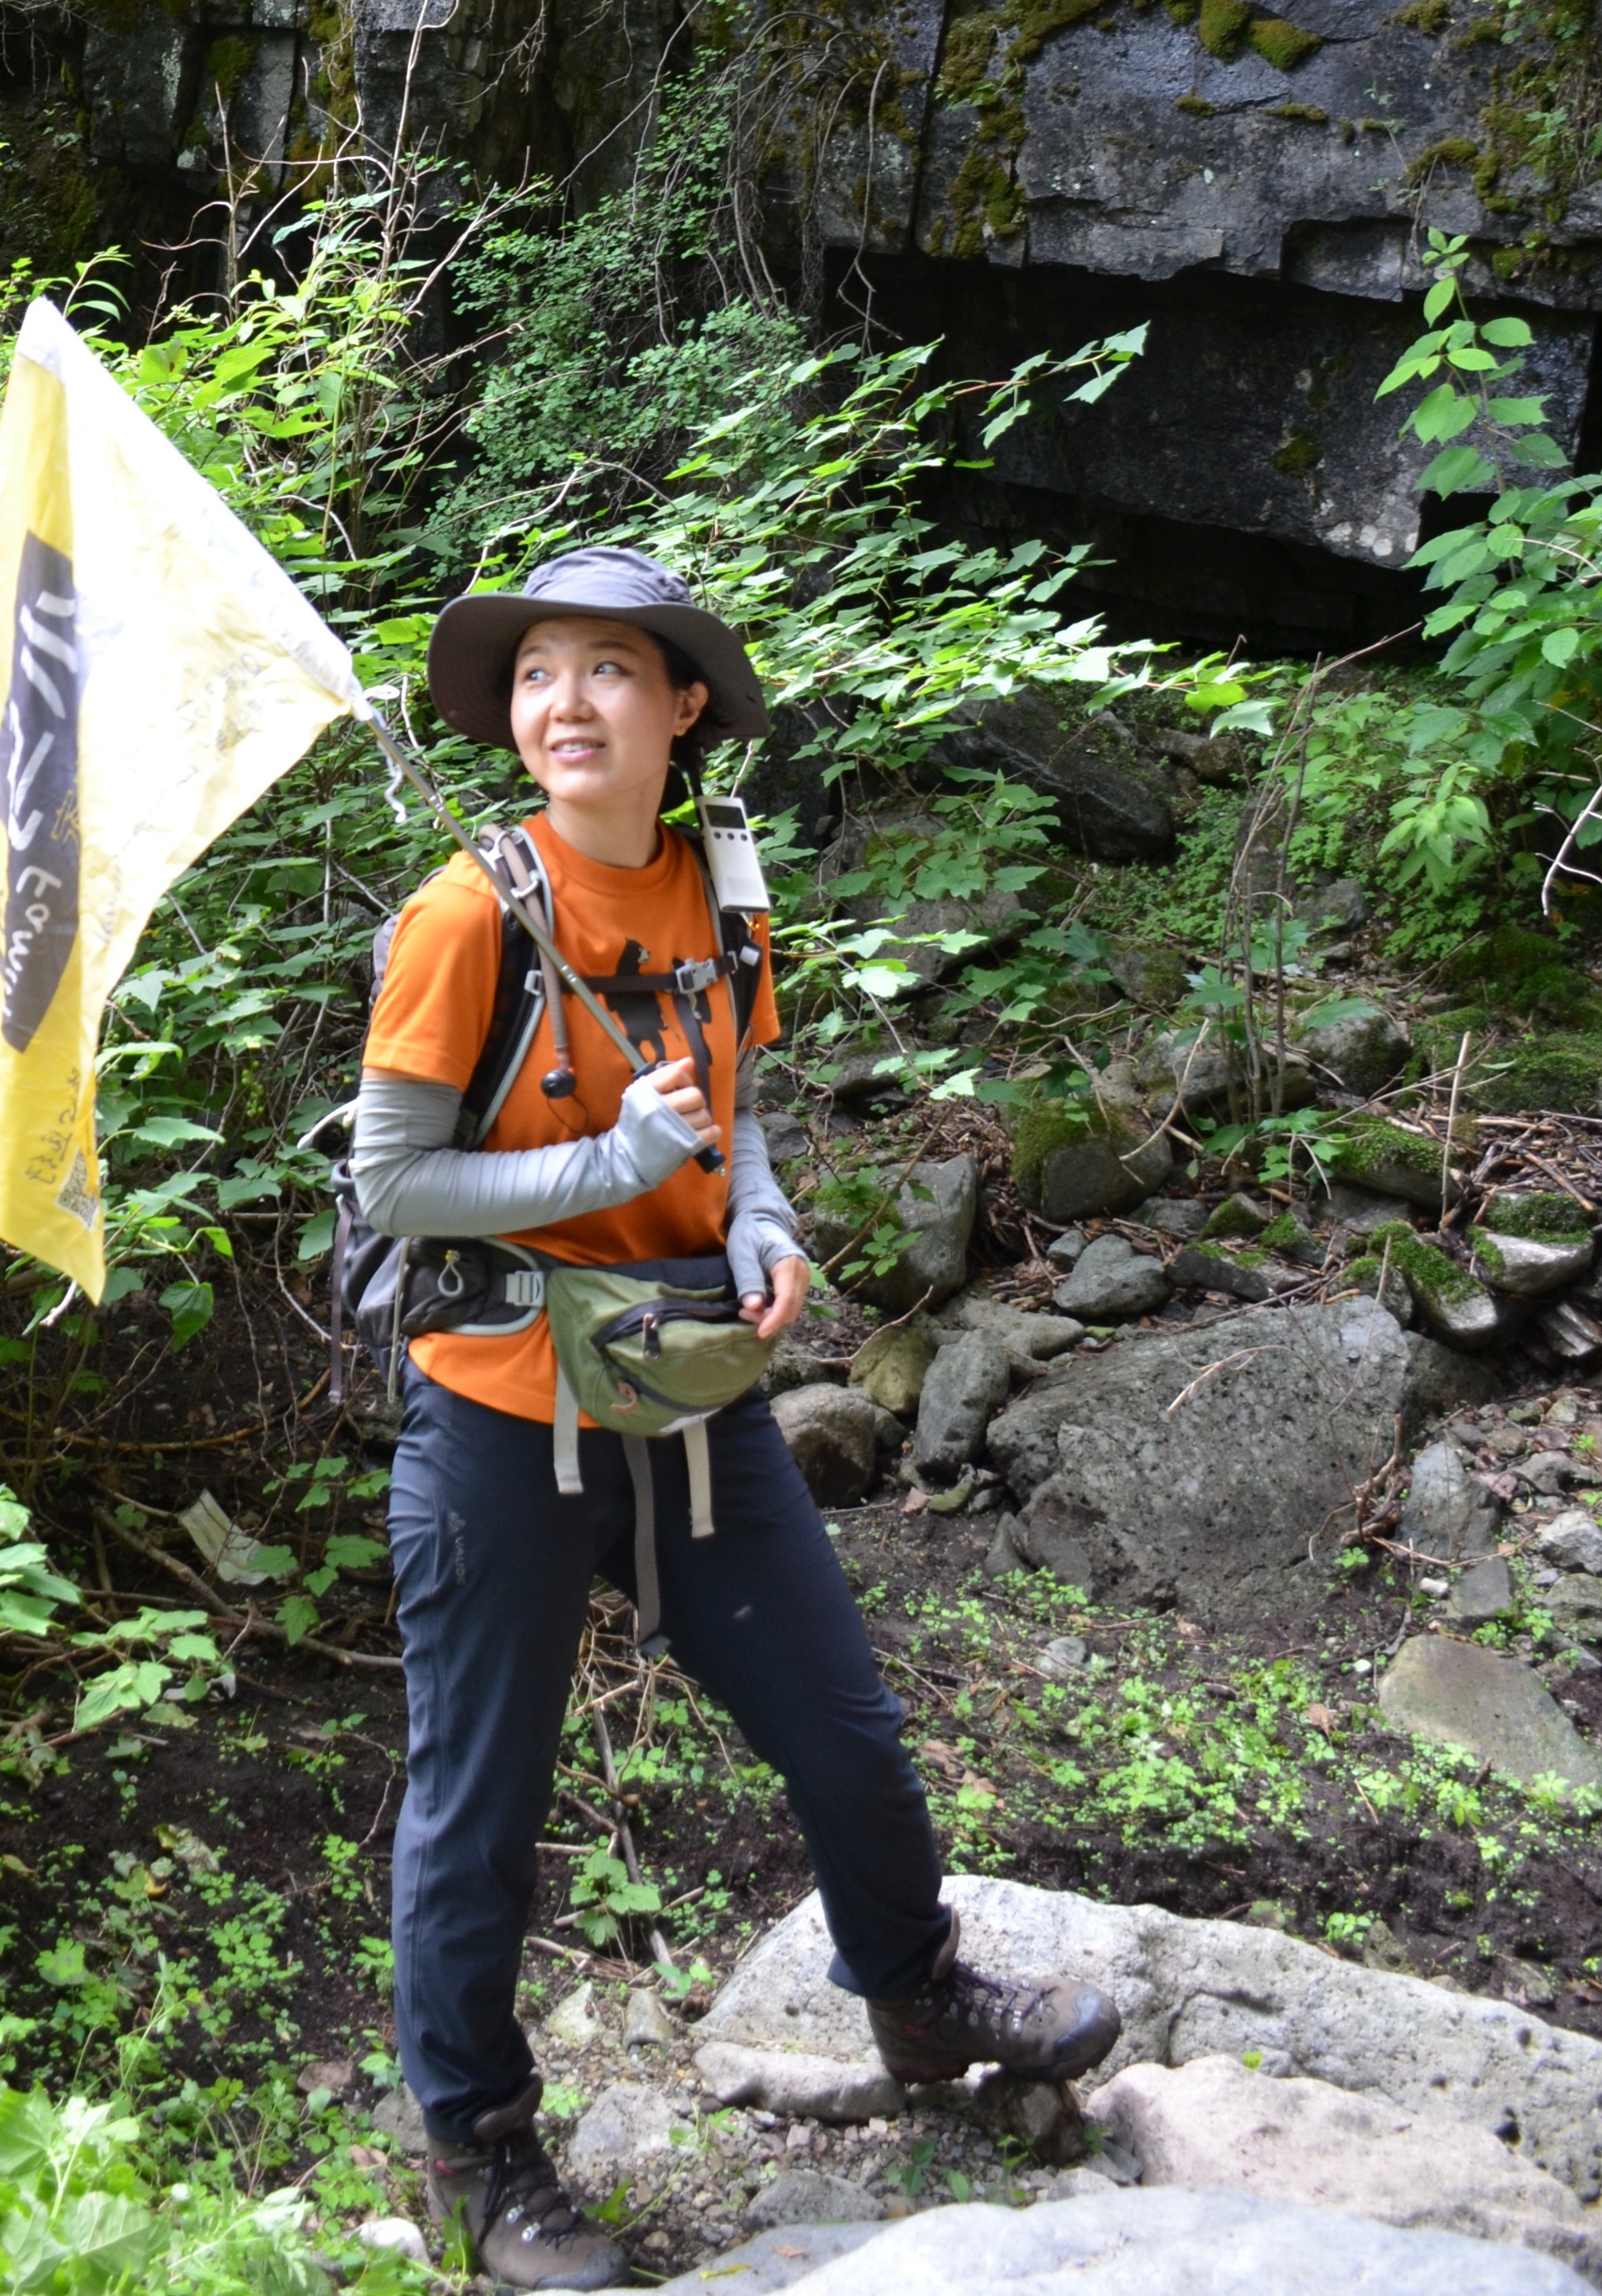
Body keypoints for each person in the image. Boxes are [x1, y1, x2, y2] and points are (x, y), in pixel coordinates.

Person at [350, 545, 1120, 2289]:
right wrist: (605, 1161)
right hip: (504, 1416)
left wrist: (758, 1216)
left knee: (844, 1728)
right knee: (481, 1801)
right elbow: (391, 1182)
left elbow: (736, 1107)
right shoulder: (468, 915)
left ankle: (915, 1993)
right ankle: (478, 2148)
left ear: (683, 703)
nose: (563, 702)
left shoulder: (722, 888)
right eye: (537, 672)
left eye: (608, 669)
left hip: (691, 1393)